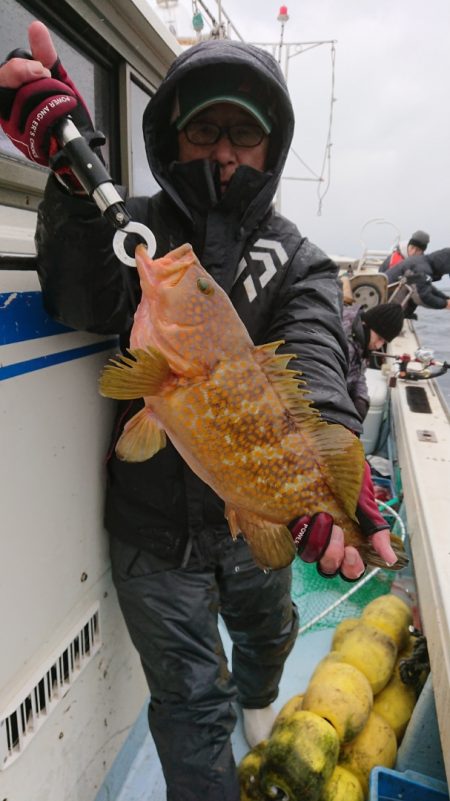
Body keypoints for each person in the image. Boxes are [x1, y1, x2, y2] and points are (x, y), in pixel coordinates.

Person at [0, 22, 398, 801]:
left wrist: (328, 443)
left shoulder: (304, 260)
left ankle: (260, 697)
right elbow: (82, 294)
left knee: (269, 633)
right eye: (205, 128)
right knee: (187, 703)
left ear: (271, 147)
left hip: (255, 521)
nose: (224, 152)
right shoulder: (134, 229)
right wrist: (77, 186)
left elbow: (315, 349)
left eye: (245, 134)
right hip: (152, 534)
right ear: (172, 138)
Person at [343, 303, 405, 422]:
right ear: (367, 324)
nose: (378, 346)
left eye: (384, 342)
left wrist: (361, 399)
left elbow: (357, 373)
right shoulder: (343, 344)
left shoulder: (360, 339)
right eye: (379, 338)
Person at [387, 248, 450, 318]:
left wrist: (445, 298)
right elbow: (422, 297)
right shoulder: (421, 269)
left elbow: (426, 287)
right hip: (386, 307)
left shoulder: (422, 262)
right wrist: (445, 304)